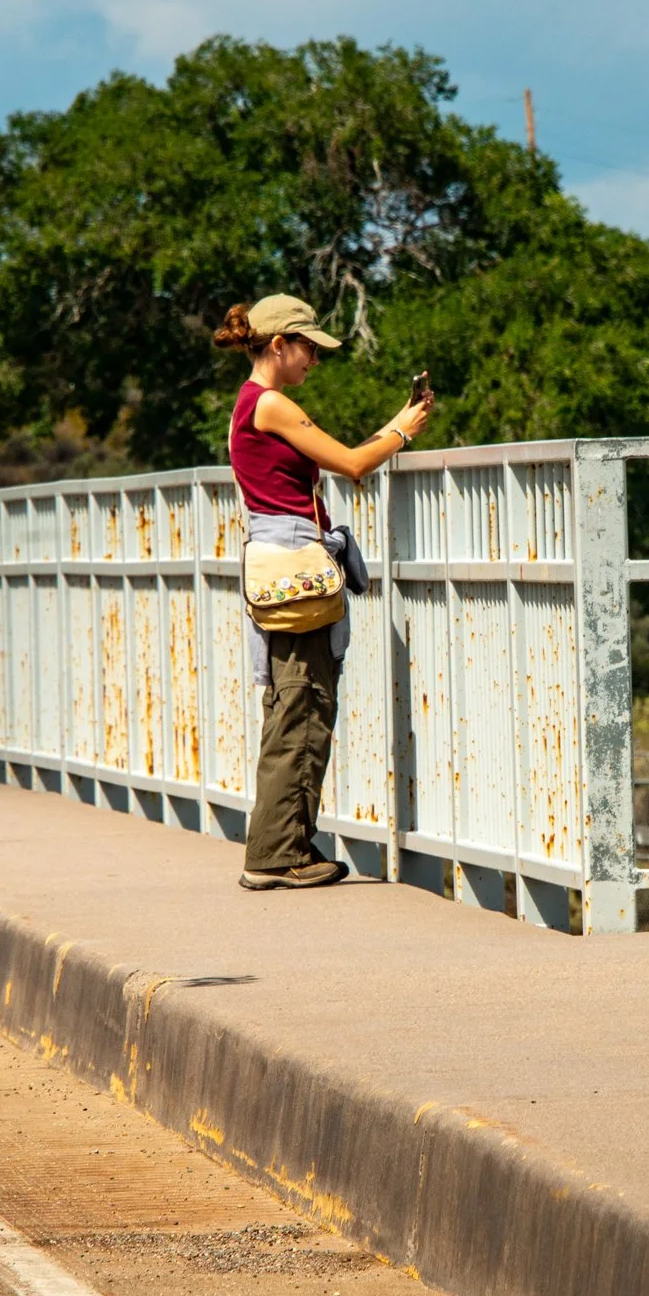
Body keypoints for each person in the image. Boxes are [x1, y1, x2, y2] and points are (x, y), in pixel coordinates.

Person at [214, 294, 434, 891]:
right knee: (301, 706)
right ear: (278, 345)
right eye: (308, 346)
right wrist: (402, 429)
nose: (315, 357)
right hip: (294, 564)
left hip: (277, 562)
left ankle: (286, 845)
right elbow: (353, 464)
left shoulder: (248, 403)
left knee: (291, 706)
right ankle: (276, 855)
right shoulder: (272, 405)